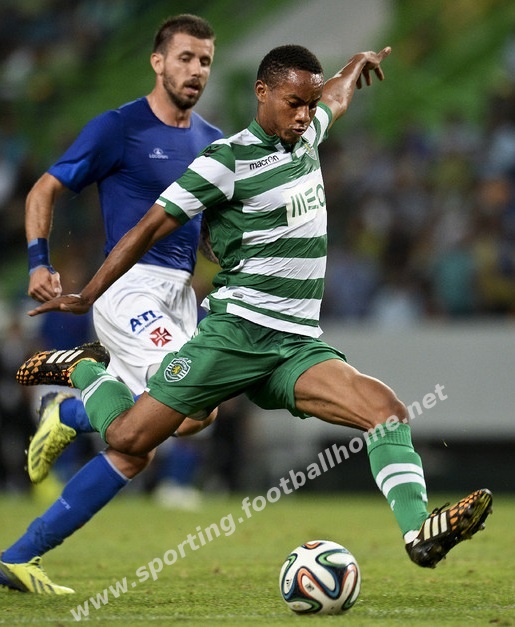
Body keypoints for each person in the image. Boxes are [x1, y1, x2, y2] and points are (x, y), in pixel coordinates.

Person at [13, 44, 492, 588]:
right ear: (262, 93)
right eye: (294, 104)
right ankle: (85, 371)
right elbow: (147, 228)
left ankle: (418, 533)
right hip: (235, 335)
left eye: (309, 104)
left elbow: (335, 99)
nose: (304, 115)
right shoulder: (226, 160)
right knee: (129, 438)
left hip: (295, 344)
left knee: (387, 412)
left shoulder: (307, 134)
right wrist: (87, 295)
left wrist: (354, 67)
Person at [0, 14, 223, 594]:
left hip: (180, 295)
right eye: (185, 58)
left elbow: (208, 231)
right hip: (127, 288)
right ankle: (82, 378)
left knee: (144, 441)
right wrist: (39, 261)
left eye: (204, 60)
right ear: (158, 61)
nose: (196, 70)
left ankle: (19, 553)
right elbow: (44, 189)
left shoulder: (214, 141)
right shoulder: (119, 128)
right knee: (188, 406)